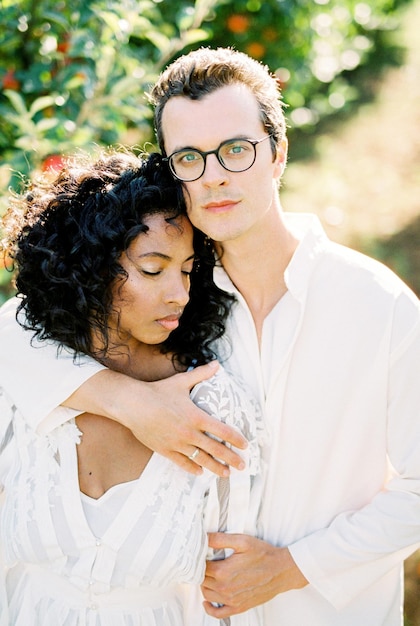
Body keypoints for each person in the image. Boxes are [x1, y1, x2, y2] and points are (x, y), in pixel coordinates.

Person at [0, 46, 419, 625]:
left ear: (278, 155)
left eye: (236, 150)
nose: (214, 174)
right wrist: (129, 403)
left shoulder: (376, 304)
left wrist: (294, 566)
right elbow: (17, 331)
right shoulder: (172, 300)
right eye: (188, 157)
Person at [0, 148, 264, 625]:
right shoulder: (20, 382)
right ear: (90, 265)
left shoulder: (211, 403)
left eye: (186, 270)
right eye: (152, 268)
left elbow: (227, 601)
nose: (178, 294)